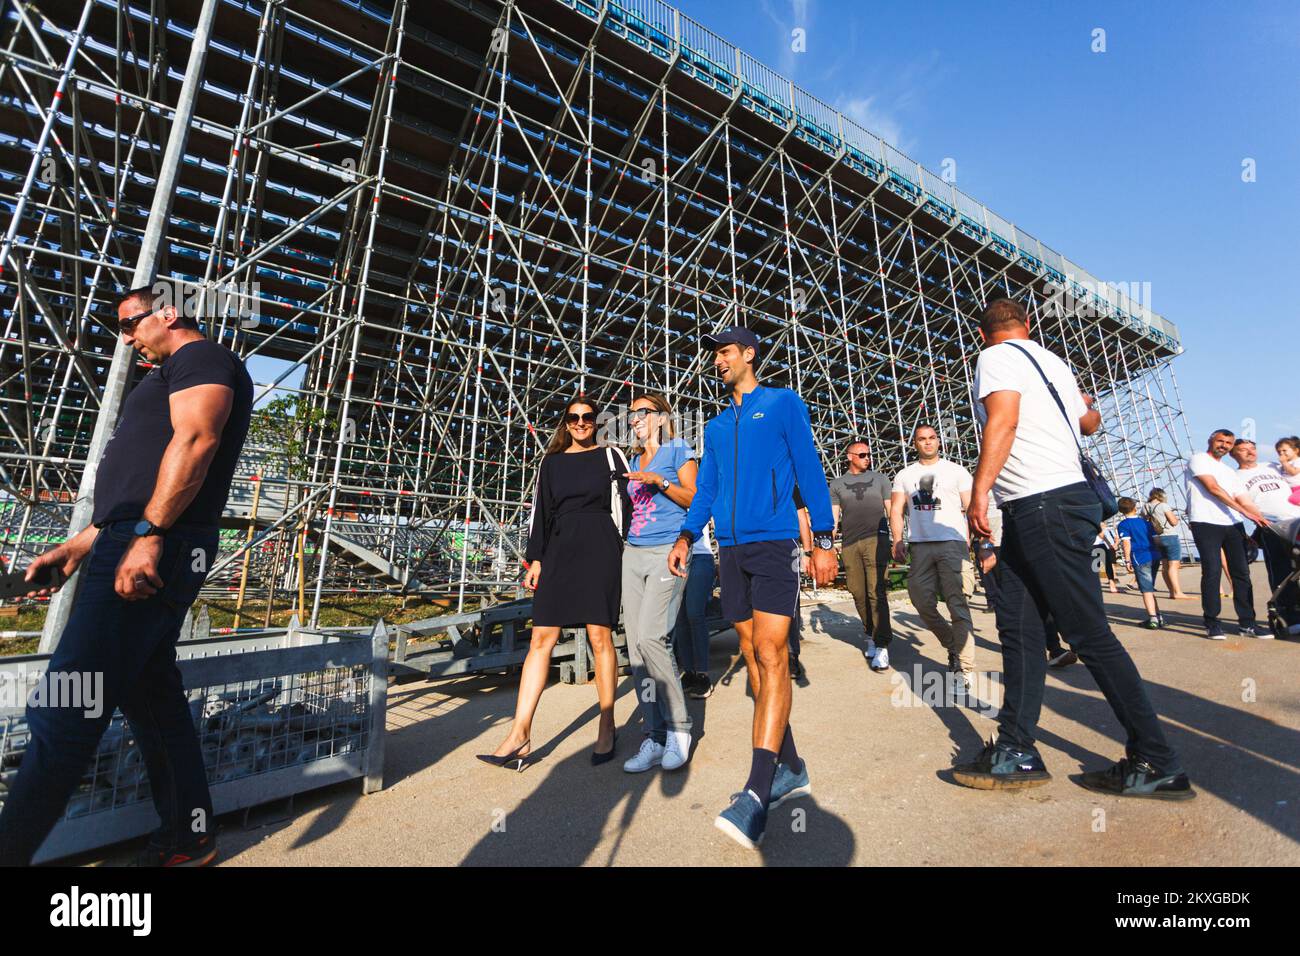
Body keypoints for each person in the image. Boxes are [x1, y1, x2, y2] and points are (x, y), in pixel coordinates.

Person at [0, 284, 254, 867]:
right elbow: (141, 481)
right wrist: (79, 545)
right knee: (152, 698)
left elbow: (197, 440)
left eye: (130, 325)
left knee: (67, 704)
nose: (126, 338)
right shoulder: (168, 373)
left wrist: (146, 537)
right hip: (131, 537)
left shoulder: (202, 357)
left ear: (167, 313)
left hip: (154, 542)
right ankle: (189, 838)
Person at [958, 297, 1193, 800]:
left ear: (984, 334)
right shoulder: (1054, 362)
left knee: (1088, 634)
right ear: (1029, 324)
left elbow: (1003, 420)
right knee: (1019, 628)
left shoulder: (994, 358)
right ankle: (1017, 747)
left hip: (1045, 503)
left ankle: (1156, 759)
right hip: (1039, 508)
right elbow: (1090, 423)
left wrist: (980, 491)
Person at [668, 325, 836, 850]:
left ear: (748, 354)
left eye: (723, 352)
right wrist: (687, 533)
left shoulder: (784, 404)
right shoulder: (716, 427)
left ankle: (757, 793)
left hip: (777, 542)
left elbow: (809, 466)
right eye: (713, 355)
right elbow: (709, 488)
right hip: (731, 550)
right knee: (750, 650)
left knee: (770, 652)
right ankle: (791, 766)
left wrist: (823, 537)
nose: (717, 361)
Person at [479, 398, 630, 769]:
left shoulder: (612, 457)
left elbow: (628, 506)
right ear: (565, 423)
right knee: (540, 638)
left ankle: (607, 725)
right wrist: (536, 560)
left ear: (597, 422)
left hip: (599, 549)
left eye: (588, 418)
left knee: (599, 637)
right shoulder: (551, 462)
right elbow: (541, 513)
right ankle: (520, 734)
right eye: (573, 418)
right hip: (559, 551)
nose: (581, 423)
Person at [620, 393, 698, 773]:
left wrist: (659, 482)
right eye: (632, 413)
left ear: (663, 417)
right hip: (633, 554)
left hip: (668, 550)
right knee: (636, 649)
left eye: (643, 412)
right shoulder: (633, 459)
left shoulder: (678, 450)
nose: (634, 418)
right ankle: (653, 735)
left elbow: (695, 500)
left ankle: (680, 728)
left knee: (653, 638)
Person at [889, 425, 976, 685]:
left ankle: (965, 667)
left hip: (952, 543)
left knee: (957, 604)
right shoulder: (905, 475)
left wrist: (977, 541)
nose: (928, 443)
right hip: (920, 545)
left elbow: (971, 507)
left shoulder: (956, 471)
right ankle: (952, 644)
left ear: (938, 441)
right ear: (914, 443)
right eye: (922, 439)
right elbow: (896, 509)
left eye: (932, 438)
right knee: (920, 601)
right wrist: (897, 540)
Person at [1184, 429, 1269, 639]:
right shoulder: (1198, 459)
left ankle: (1247, 624)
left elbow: (1244, 499)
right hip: (1205, 522)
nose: (1223, 445)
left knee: (1242, 574)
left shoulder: (1230, 472)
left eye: (1228, 443)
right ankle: (1212, 622)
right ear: (1210, 440)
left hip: (1233, 524)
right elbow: (1212, 488)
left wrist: (1260, 519)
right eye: (1220, 440)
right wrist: (1244, 511)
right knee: (1212, 572)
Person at [830, 440, 894, 671]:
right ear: (850, 457)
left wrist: (897, 540)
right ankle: (870, 633)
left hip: (877, 539)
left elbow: (891, 510)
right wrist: (826, 544)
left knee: (876, 592)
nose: (868, 458)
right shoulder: (837, 484)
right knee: (858, 593)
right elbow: (834, 518)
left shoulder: (881, 480)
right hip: (850, 543)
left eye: (869, 454)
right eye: (863, 454)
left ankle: (882, 644)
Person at [1229, 438, 1300, 634]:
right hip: (1272, 526)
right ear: (1234, 454)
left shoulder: (1273, 466)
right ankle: (1288, 617)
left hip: (1297, 519)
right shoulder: (1235, 477)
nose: (1250, 452)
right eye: (1243, 450)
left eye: (1252, 448)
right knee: (1283, 572)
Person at [672, 522, 718, 698]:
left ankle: (703, 675)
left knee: (695, 613)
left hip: (700, 555)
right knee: (680, 617)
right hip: (676, 557)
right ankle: (689, 672)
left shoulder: (697, 493)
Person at [1116, 497, 1165, 629]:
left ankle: (1153, 619)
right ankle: (1158, 616)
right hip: (1154, 555)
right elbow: (1156, 540)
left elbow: (1126, 543)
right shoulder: (1146, 523)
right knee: (1149, 588)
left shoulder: (1123, 525)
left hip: (1140, 557)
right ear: (1135, 508)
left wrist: (1127, 560)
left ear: (1120, 511)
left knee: (1146, 590)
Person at [1144, 488, 1190, 600]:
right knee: (1174, 565)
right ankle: (1178, 592)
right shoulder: (1163, 506)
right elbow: (1173, 522)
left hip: (1155, 538)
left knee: (1164, 566)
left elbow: (1145, 520)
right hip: (1169, 536)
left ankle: (1171, 592)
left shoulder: (1145, 507)